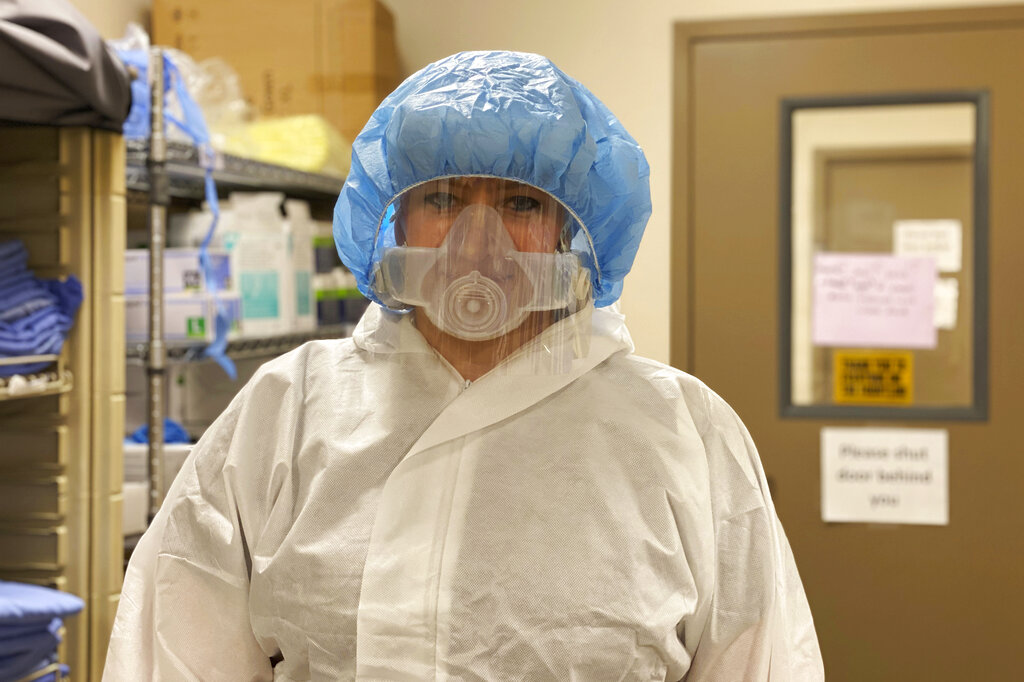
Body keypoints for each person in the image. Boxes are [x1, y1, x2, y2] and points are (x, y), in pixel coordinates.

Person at [104, 51, 824, 681]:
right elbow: (175, 650)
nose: (479, 248)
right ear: (397, 219)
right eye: (444, 199)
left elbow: (760, 662)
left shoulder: (682, 432)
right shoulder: (287, 410)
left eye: (520, 203)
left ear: (573, 231)